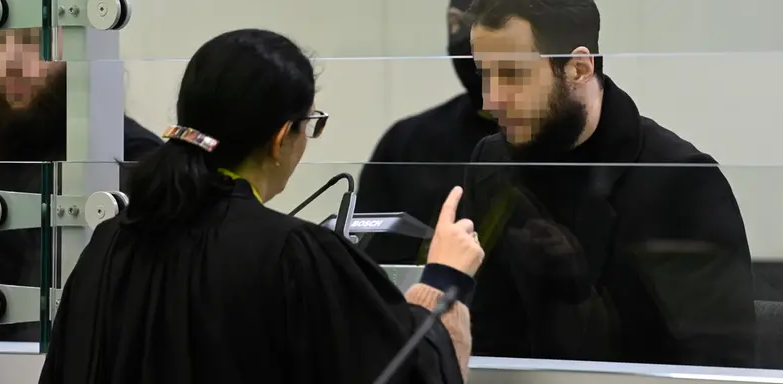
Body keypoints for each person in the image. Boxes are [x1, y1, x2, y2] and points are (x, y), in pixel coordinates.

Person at [39, 29, 485, 384]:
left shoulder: (110, 244)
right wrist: (443, 283)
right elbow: (406, 372)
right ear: (281, 138)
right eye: (310, 125)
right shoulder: (292, 256)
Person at [462, 0, 755, 367]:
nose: (491, 100)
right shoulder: (490, 163)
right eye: (485, 74)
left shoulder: (681, 180)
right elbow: (482, 334)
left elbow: (720, 363)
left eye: (513, 74)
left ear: (578, 68)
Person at [0, 0, 162, 342]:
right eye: (0, 39)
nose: (10, 61)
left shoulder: (129, 159)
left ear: (85, 44)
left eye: (32, 39)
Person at [357, 0, 514, 264]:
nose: (461, 38)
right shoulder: (406, 142)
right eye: (455, 25)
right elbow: (367, 258)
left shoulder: (562, 142)